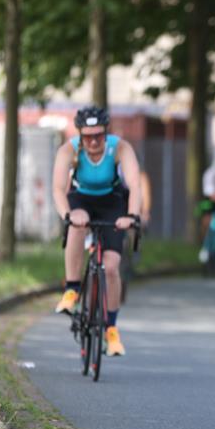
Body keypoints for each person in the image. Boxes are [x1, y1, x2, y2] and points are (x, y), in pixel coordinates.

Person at [51, 105, 142, 357]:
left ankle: (111, 330)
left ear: (106, 133)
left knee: (111, 267)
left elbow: (134, 185)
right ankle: (71, 289)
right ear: (80, 135)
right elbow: (58, 188)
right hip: (80, 199)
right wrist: (68, 215)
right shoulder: (69, 150)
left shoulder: (120, 148)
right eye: (87, 136)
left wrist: (132, 216)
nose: (93, 141)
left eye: (98, 135)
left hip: (112, 202)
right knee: (77, 227)